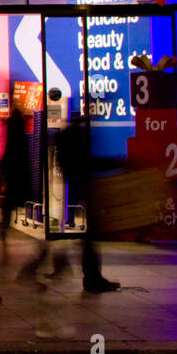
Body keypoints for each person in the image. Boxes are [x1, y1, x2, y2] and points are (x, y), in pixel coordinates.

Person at [56, 113, 120, 293]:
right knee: (91, 236)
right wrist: (117, 163)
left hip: (81, 183)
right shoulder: (78, 137)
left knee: (90, 236)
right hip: (86, 183)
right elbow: (87, 163)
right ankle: (92, 277)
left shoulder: (69, 134)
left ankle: (92, 276)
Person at [0, 108, 31, 265]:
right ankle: (2, 236)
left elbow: (8, 155)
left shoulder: (13, 139)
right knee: (9, 210)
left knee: (7, 211)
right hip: (19, 179)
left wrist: (2, 167)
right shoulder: (21, 138)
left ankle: (2, 236)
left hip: (13, 179)